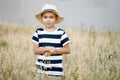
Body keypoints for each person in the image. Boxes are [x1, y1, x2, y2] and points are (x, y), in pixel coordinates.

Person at [32, 4, 70, 80]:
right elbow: (35, 50)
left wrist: (54, 51)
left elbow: (67, 50)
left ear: (56, 18)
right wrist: (47, 48)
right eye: (45, 17)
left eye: (51, 17)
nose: (48, 20)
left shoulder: (61, 33)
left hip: (56, 72)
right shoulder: (38, 32)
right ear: (42, 19)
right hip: (40, 70)